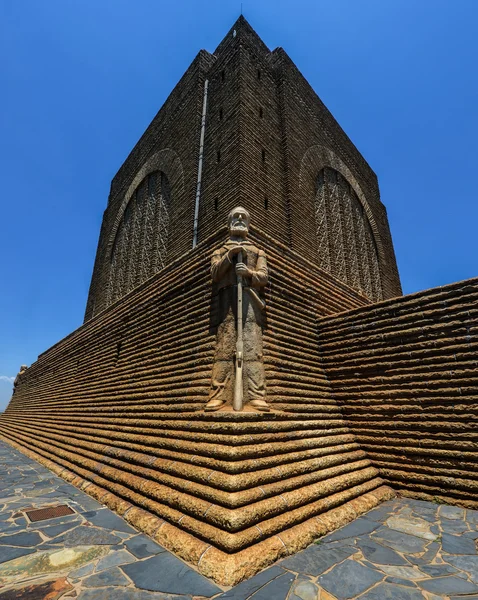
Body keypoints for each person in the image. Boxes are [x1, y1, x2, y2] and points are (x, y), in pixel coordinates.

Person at [204, 207, 270, 412]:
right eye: (235, 216)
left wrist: (249, 272)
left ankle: (256, 394)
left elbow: (264, 277)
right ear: (229, 222)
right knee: (224, 347)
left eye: (244, 217)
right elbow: (215, 274)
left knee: (252, 347)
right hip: (226, 301)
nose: (240, 219)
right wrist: (229, 256)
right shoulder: (219, 250)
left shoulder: (258, 251)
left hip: (250, 302)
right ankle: (218, 395)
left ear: (248, 224)